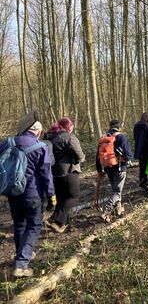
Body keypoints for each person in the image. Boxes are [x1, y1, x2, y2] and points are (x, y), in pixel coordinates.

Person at [0, 121, 55, 277]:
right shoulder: (41, 147)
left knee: (19, 224)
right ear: (38, 131)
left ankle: (21, 254)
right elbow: (46, 175)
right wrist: (51, 194)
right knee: (34, 225)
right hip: (33, 193)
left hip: (12, 192)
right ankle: (21, 264)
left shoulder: (8, 142)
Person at [44, 117, 85, 233]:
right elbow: (79, 156)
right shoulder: (69, 137)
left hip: (54, 173)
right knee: (73, 196)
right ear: (67, 126)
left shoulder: (49, 137)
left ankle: (61, 225)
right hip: (69, 172)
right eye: (71, 125)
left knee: (62, 199)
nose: (72, 127)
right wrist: (82, 157)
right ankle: (54, 218)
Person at [96, 119, 134, 223]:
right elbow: (128, 153)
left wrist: (99, 170)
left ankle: (118, 211)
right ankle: (106, 211)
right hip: (120, 168)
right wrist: (131, 159)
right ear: (119, 127)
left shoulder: (104, 138)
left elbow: (98, 156)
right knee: (117, 191)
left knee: (115, 190)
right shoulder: (121, 136)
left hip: (108, 168)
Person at [133, 113, 148, 189]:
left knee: (142, 167)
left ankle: (142, 182)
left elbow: (135, 137)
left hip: (140, 150)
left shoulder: (136, 126)